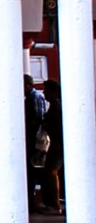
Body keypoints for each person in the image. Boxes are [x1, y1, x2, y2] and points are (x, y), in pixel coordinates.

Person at [40, 79, 65, 214]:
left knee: (51, 172)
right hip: (56, 143)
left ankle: (55, 204)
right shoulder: (56, 105)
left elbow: (54, 126)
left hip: (57, 144)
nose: (43, 92)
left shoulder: (56, 106)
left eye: (46, 90)